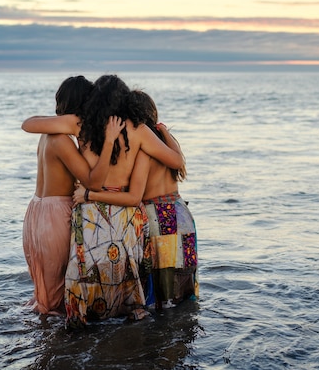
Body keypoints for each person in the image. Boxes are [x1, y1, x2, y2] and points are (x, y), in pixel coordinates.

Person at [22, 75, 184, 327]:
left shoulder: (82, 125)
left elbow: (29, 125)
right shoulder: (139, 130)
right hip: (124, 212)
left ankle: (81, 323)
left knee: (87, 271)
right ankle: (122, 325)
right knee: (124, 273)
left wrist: (58, 121)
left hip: (90, 212)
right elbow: (176, 162)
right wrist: (162, 130)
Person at [73, 90, 197, 311]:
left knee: (161, 289)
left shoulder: (143, 148)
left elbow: (133, 195)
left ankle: (161, 339)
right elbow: (178, 162)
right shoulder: (165, 143)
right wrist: (164, 130)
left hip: (159, 216)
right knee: (183, 283)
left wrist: (89, 194)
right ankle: (185, 340)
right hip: (180, 213)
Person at [21, 75, 124, 315]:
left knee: (43, 292)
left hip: (36, 212)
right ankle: (53, 348)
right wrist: (108, 141)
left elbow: (28, 123)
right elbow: (94, 183)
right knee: (56, 298)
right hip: (55, 216)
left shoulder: (47, 137)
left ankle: (41, 342)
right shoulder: (61, 141)